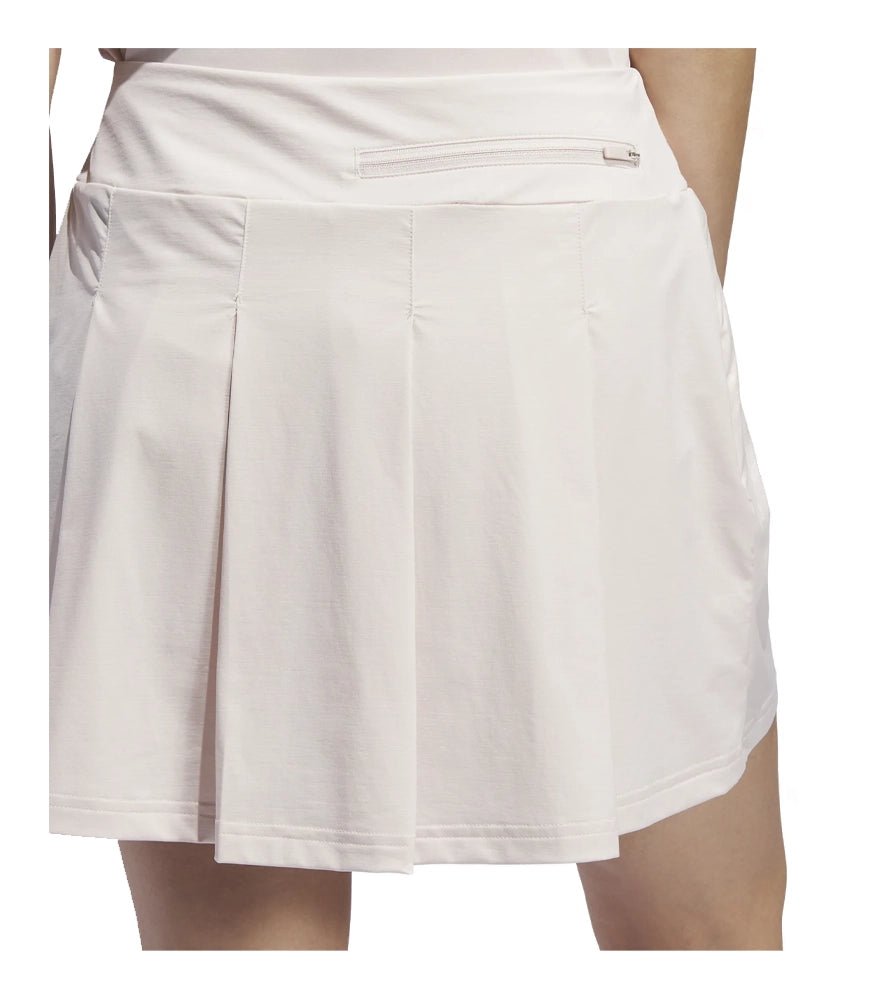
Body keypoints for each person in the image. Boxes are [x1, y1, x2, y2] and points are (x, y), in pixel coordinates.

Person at [49, 47, 786, 950]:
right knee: (704, 930)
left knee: (247, 947)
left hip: (197, 258)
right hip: (567, 245)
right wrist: (662, 311)